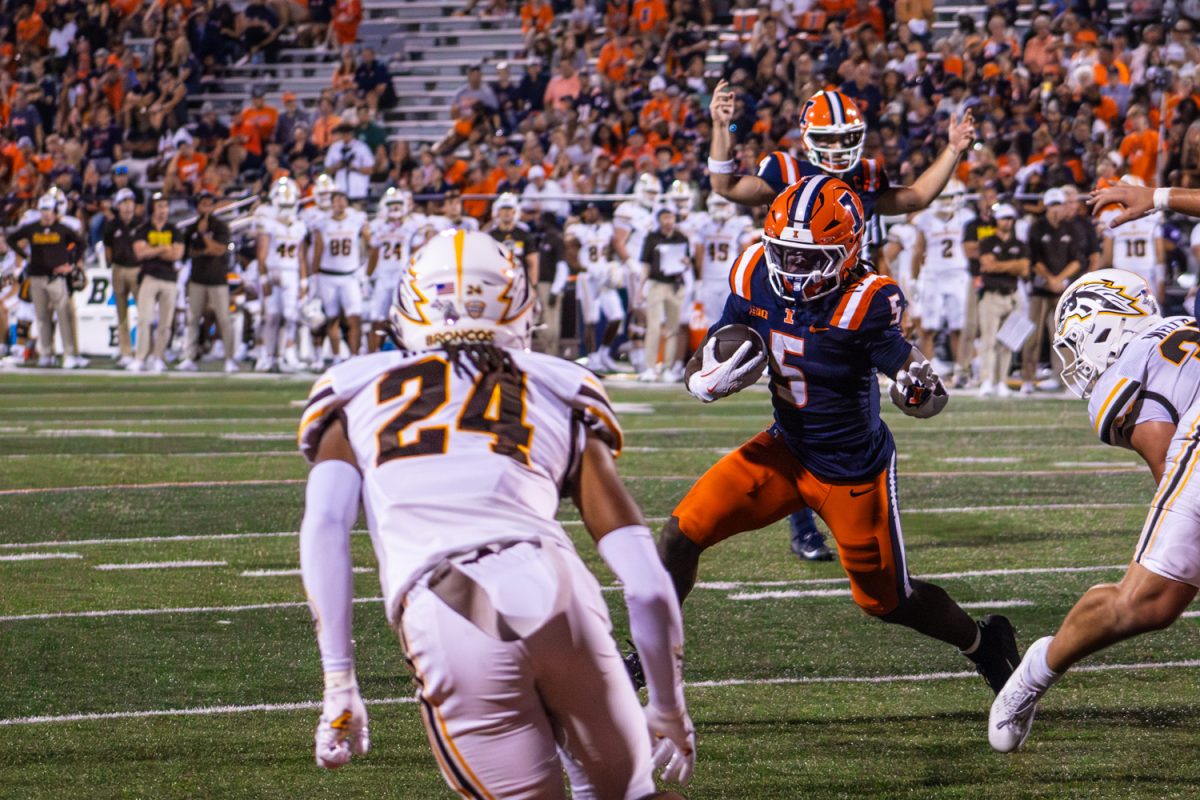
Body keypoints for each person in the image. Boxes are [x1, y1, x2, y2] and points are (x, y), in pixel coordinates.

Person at [297, 230, 694, 797]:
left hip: (449, 602)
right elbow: (650, 588)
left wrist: (339, 680)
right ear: (520, 311)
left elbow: (326, 527)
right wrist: (668, 706)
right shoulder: (560, 384)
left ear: (410, 312)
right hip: (559, 590)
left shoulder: (355, 388)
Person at [646, 175, 1019, 702]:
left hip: (851, 470)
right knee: (681, 533)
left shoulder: (866, 298)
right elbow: (713, 346)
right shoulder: (755, 271)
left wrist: (918, 391)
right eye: (784, 253)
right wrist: (701, 377)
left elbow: (923, 389)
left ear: (847, 251)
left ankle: (983, 644)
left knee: (887, 602)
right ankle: (651, 652)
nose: (792, 269)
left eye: (808, 257)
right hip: (785, 449)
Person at [706, 83, 975, 562]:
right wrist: (720, 126)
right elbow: (726, 186)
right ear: (809, 137)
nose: (836, 149)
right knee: (801, 404)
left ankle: (841, 510)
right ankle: (806, 518)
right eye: (826, 140)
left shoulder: (868, 174)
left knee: (854, 407)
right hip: (792, 297)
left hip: (848, 301)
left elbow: (913, 198)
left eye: (843, 138)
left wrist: (953, 150)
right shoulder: (785, 169)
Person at [989, 269, 1199, 752]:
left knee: (1153, 602)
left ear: (1103, 323)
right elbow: (1174, 473)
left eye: (1076, 341)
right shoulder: (1179, 328)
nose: (1077, 358)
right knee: (1148, 602)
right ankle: (1036, 672)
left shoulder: (1127, 369)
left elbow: (1169, 464)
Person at [6, 193, 86, 368]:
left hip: (57, 278)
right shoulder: (32, 227)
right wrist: (25, 256)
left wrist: (70, 264)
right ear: (39, 210)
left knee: (63, 316)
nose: (46, 213)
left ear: (54, 210)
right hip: (36, 277)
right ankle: (46, 353)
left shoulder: (62, 228)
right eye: (43, 209)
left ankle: (69, 354)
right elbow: (11, 238)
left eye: (49, 209)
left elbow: (81, 243)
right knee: (42, 318)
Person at [1021, 187, 1085, 395]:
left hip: (1062, 290)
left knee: (1064, 337)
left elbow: (1078, 259)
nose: (1056, 209)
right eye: (1053, 205)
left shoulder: (1071, 228)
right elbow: (1033, 259)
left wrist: (1060, 280)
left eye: (1059, 204)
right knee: (1033, 337)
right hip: (1041, 290)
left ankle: (1066, 379)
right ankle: (1027, 379)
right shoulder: (1037, 228)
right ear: (1047, 207)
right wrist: (1050, 279)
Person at [913, 180, 975, 384]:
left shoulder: (966, 218)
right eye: (943, 197)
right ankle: (928, 372)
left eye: (949, 197)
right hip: (934, 275)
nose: (947, 202)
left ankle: (961, 371)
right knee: (928, 327)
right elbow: (918, 250)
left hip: (959, 275)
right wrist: (915, 279)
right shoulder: (925, 219)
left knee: (960, 327)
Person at [976, 204, 1030, 397]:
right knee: (988, 341)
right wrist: (1012, 266)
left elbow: (1024, 269)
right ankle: (986, 381)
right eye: (1003, 218)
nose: (1007, 222)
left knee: (1007, 342)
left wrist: (1000, 265)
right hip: (992, 295)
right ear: (996, 220)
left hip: (1013, 295)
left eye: (1009, 218)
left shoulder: (1020, 244)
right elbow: (987, 266)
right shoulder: (988, 241)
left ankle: (1002, 382)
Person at [257, 178, 310, 372]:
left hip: (292, 273)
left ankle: (288, 353)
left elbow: (301, 256)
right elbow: (261, 254)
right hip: (273, 271)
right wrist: (263, 278)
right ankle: (266, 355)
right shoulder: (268, 223)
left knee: (291, 315)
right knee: (270, 316)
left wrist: (304, 282)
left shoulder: (299, 225)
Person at [181, 192, 237, 373]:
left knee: (224, 319)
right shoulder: (191, 228)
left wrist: (204, 236)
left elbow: (219, 250)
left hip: (218, 280)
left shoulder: (220, 226)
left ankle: (230, 359)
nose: (206, 208)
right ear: (198, 207)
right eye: (203, 204)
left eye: (209, 204)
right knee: (193, 319)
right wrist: (206, 249)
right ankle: (189, 356)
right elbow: (190, 253)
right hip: (197, 279)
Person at [311, 188, 368, 360]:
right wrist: (314, 277)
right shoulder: (323, 223)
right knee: (332, 317)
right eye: (336, 200)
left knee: (355, 316)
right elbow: (318, 251)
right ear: (331, 203)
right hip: (328, 275)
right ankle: (336, 357)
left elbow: (371, 243)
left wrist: (364, 269)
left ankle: (354, 356)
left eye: (343, 200)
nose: (340, 204)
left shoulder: (356, 220)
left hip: (350, 275)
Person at [566, 201, 623, 372]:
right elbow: (570, 253)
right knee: (591, 319)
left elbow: (611, 249)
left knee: (617, 316)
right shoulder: (577, 230)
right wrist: (584, 268)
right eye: (588, 210)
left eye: (593, 209)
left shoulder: (607, 228)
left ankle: (604, 352)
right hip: (587, 277)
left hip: (604, 277)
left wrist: (612, 266)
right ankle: (593, 357)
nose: (590, 213)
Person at [131, 193, 185, 373]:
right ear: (153, 208)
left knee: (165, 323)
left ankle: (158, 357)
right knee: (144, 320)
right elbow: (140, 253)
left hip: (169, 278)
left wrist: (151, 250)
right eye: (159, 206)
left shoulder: (174, 229)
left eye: (165, 206)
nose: (163, 210)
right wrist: (163, 248)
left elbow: (177, 254)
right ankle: (140, 357)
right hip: (149, 277)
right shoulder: (143, 229)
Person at [638, 206, 692, 382]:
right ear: (659, 220)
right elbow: (645, 265)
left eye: (671, 217)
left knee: (672, 328)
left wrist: (686, 262)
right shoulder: (652, 238)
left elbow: (687, 263)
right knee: (653, 327)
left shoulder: (681, 238)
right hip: (656, 283)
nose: (668, 221)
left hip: (675, 284)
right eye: (665, 218)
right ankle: (650, 367)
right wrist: (640, 288)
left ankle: (668, 368)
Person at [364, 187, 418, 353]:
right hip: (383, 276)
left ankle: (403, 350)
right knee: (377, 317)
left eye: (398, 205)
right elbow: (373, 253)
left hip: (401, 277)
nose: (395, 209)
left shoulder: (412, 226)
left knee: (402, 316)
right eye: (392, 205)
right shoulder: (378, 227)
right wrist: (367, 276)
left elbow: (416, 253)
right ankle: (374, 353)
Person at [102, 188, 142, 367]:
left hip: (137, 269)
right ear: (118, 206)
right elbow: (108, 250)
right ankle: (126, 351)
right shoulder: (111, 226)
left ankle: (142, 351)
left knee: (144, 313)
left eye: (130, 202)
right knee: (121, 314)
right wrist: (112, 265)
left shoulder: (141, 224)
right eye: (124, 203)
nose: (127, 206)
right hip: (119, 269)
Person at [324, 123, 374, 205]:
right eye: (343, 133)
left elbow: (370, 170)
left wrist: (355, 168)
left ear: (352, 133)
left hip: (358, 191)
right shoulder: (334, 148)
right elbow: (327, 170)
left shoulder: (361, 147)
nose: (345, 135)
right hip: (340, 191)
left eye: (348, 133)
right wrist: (337, 166)